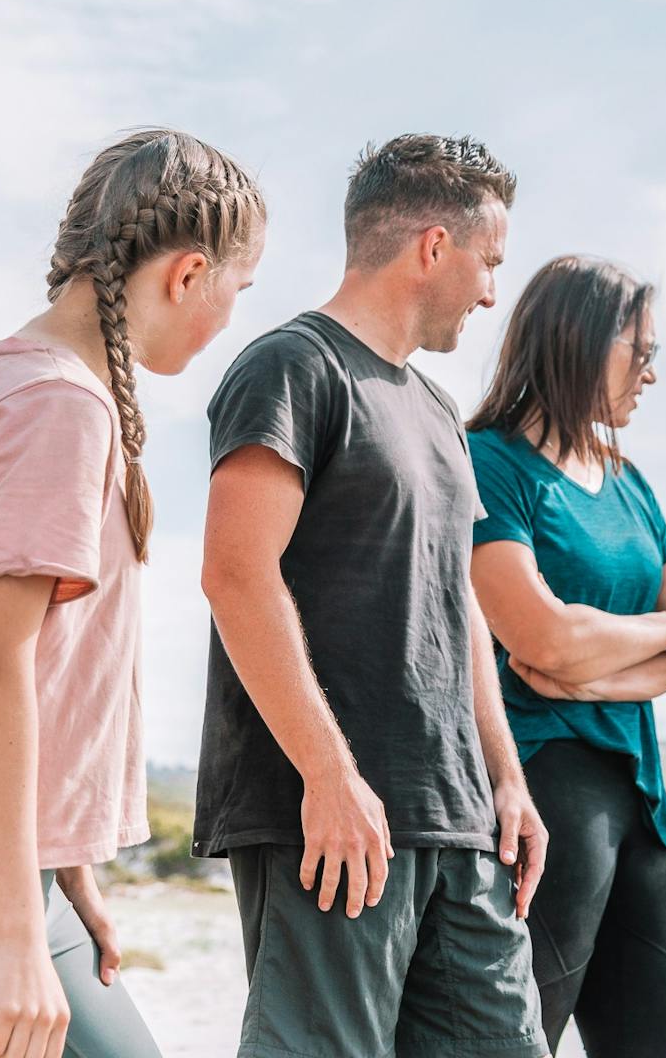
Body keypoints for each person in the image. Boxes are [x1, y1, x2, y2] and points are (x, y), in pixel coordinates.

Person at [0, 129, 266, 1058]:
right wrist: (18, 933)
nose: (231, 316)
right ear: (188, 275)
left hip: (3, 868)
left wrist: (69, 874)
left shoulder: (1, 378)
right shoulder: (59, 406)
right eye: (239, 289)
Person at [193, 133, 549, 1058]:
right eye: (488, 263)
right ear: (435, 246)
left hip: (457, 816)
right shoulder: (290, 367)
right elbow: (236, 574)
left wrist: (506, 778)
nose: (490, 292)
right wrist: (329, 775)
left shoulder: (438, 414)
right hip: (331, 817)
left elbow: (458, 610)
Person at [466, 255, 666, 1055]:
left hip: (642, 796)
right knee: (517, 1040)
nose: (649, 375)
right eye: (638, 352)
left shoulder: (629, 482)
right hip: (543, 788)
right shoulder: (487, 464)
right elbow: (537, 636)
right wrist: (648, 638)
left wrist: (591, 673)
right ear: (580, 340)